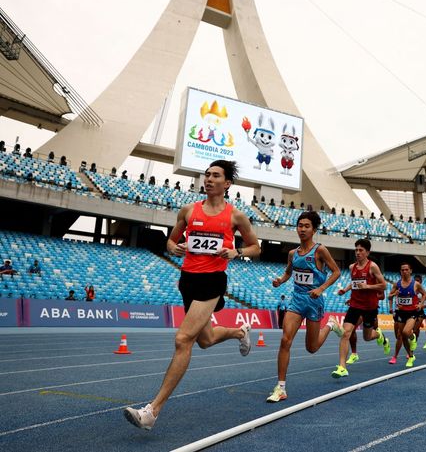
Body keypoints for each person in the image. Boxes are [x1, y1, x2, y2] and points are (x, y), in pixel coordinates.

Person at [124, 160, 260, 430]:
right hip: (188, 280)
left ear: (227, 184)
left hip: (212, 281)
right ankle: (239, 333)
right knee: (205, 340)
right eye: (207, 175)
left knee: (183, 339)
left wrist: (237, 252)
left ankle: (152, 411)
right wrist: (174, 247)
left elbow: (256, 247)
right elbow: (171, 240)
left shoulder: (236, 216)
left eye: (216, 176)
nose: (209, 179)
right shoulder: (188, 210)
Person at [266, 211, 342, 403]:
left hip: (314, 301)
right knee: (285, 340)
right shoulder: (293, 253)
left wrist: (321, 288)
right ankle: (281, 387)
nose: (302, 229)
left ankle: (330, 326)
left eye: (307, 226)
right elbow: (288, 273)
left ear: (314, 230)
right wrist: (279, 281)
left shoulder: (320, 250)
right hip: (297, 300)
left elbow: (336, 272)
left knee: (312, 347)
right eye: (300, 225)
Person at [332, 239, 389, 378]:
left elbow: (384, 285)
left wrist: (368, 287)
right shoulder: (352, 267)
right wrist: (345, 290)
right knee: (346, 333)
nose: (357, 253)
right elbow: (354, 283)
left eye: (361, 250)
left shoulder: (372, 266)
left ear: (367, 252)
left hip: (369, 307)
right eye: (356, 250)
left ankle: (379, 334)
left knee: (367, 337)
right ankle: (342, 367)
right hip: (355, 305)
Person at [387, 263, 426, 367]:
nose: (404, 271)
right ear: (400, 272)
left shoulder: (415, 284)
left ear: (410, 271)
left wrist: (421, 304)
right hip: (400, 313)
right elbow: (389, 297)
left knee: (405, 332)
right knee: (402, 336)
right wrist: (393, 296)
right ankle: (410, 356)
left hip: (412, 313)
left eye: (406, 269)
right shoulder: (397, 284)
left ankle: (413, 337)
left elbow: (424, 294)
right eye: (402, 270)